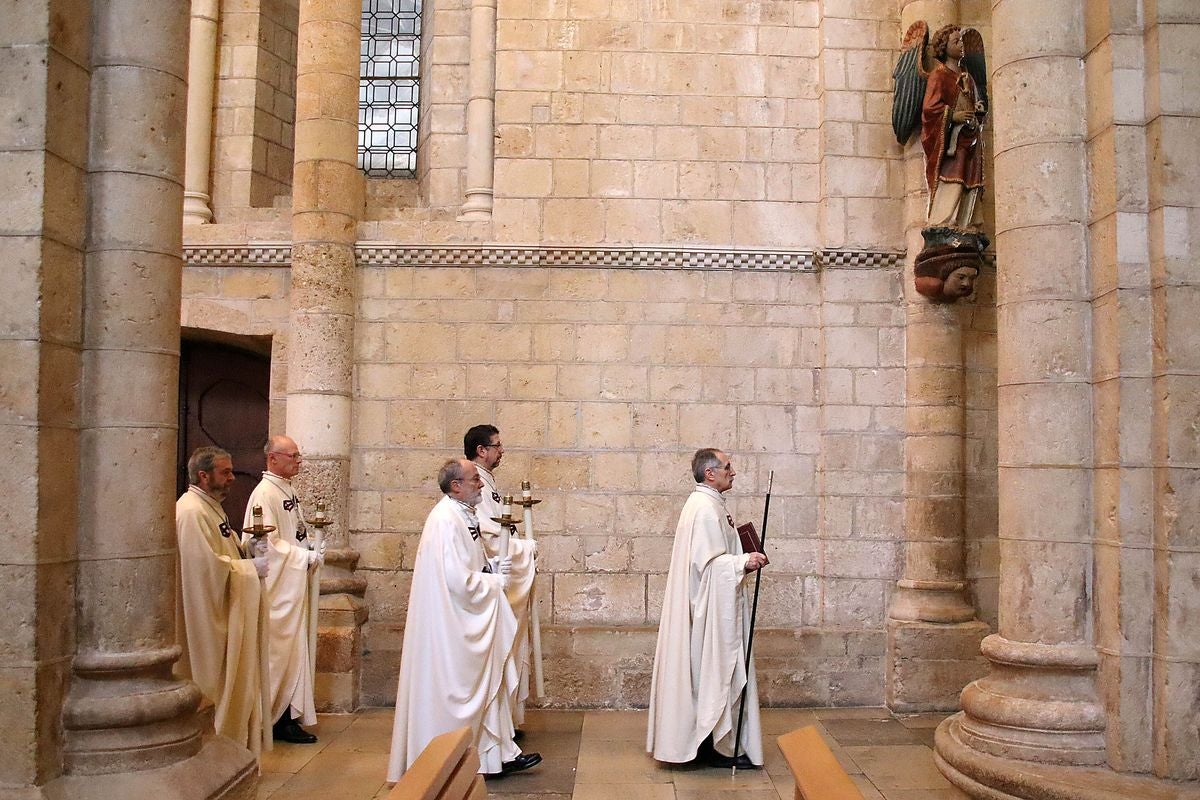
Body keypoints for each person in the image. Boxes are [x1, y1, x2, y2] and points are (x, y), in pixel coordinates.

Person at [387, 459, 541, 780]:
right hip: (453, 629)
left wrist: (492, 569)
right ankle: (475, 759)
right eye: (474, 480)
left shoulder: (462, 514)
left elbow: (471, 563)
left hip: (466, 618)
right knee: (471, 687)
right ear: (456, 485)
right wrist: (491, 582)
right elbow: (456, 579)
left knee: (490, 682)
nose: (481, 485)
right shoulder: (445, 520)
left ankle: (497, 756)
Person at [647, 448, 768, 769]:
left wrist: (743, 557)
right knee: (709, 674)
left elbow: (714, 559)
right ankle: (712, 745)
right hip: (705, 615)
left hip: (715, 608)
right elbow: (708, 567)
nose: (734, 471)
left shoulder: (711, 504)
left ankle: (713, 741)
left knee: (709, 675)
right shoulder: (703, 508)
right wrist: (744, 561)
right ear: (710, 473)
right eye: (728, 467)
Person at [175, 446, 272, 756]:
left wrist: (248, 551)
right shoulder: (190, 512)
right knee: (214, 687)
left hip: (227, 611)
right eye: (225, 472)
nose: (232, 478)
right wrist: (248, 570)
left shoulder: (210, 507)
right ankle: (220, 754)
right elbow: (202, 571)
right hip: (208, 623)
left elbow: (222, 554)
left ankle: (234, 752)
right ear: (203, 476)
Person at [243, 435, 325, 744]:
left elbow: (294, 532)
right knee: (278, 652)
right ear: (273, 459)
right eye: (293, 456)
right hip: (277, 591)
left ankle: (288, 715)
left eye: (299, 455)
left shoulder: (285, 490)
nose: (299, 461)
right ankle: (274, 717)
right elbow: (267, 544)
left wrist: (312, 548)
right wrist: (303, 557)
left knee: (293, 651)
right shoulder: (264, 494)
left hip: (292, 587)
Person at [466, 424, 538, 733]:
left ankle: (505, 721)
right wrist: (522, 550)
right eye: (496, 445)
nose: (501, 450)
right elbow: (488, 534)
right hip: (492, 579)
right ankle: (496, 725)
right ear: (481, 450)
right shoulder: (475, 483)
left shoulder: (486, 482)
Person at [921, 24, 986, 228]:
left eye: (962, 41)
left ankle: (968, 221)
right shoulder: (939, 75)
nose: (961, 46)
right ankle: (944, 219)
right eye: (956, 41)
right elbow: (930, 109)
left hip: (971, 134)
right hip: (954, 138)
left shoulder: (968, 77)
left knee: (970, 174)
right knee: (954, 172)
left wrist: (978, 107)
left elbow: (973, 100)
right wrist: (953, 116)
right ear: (943, 47)